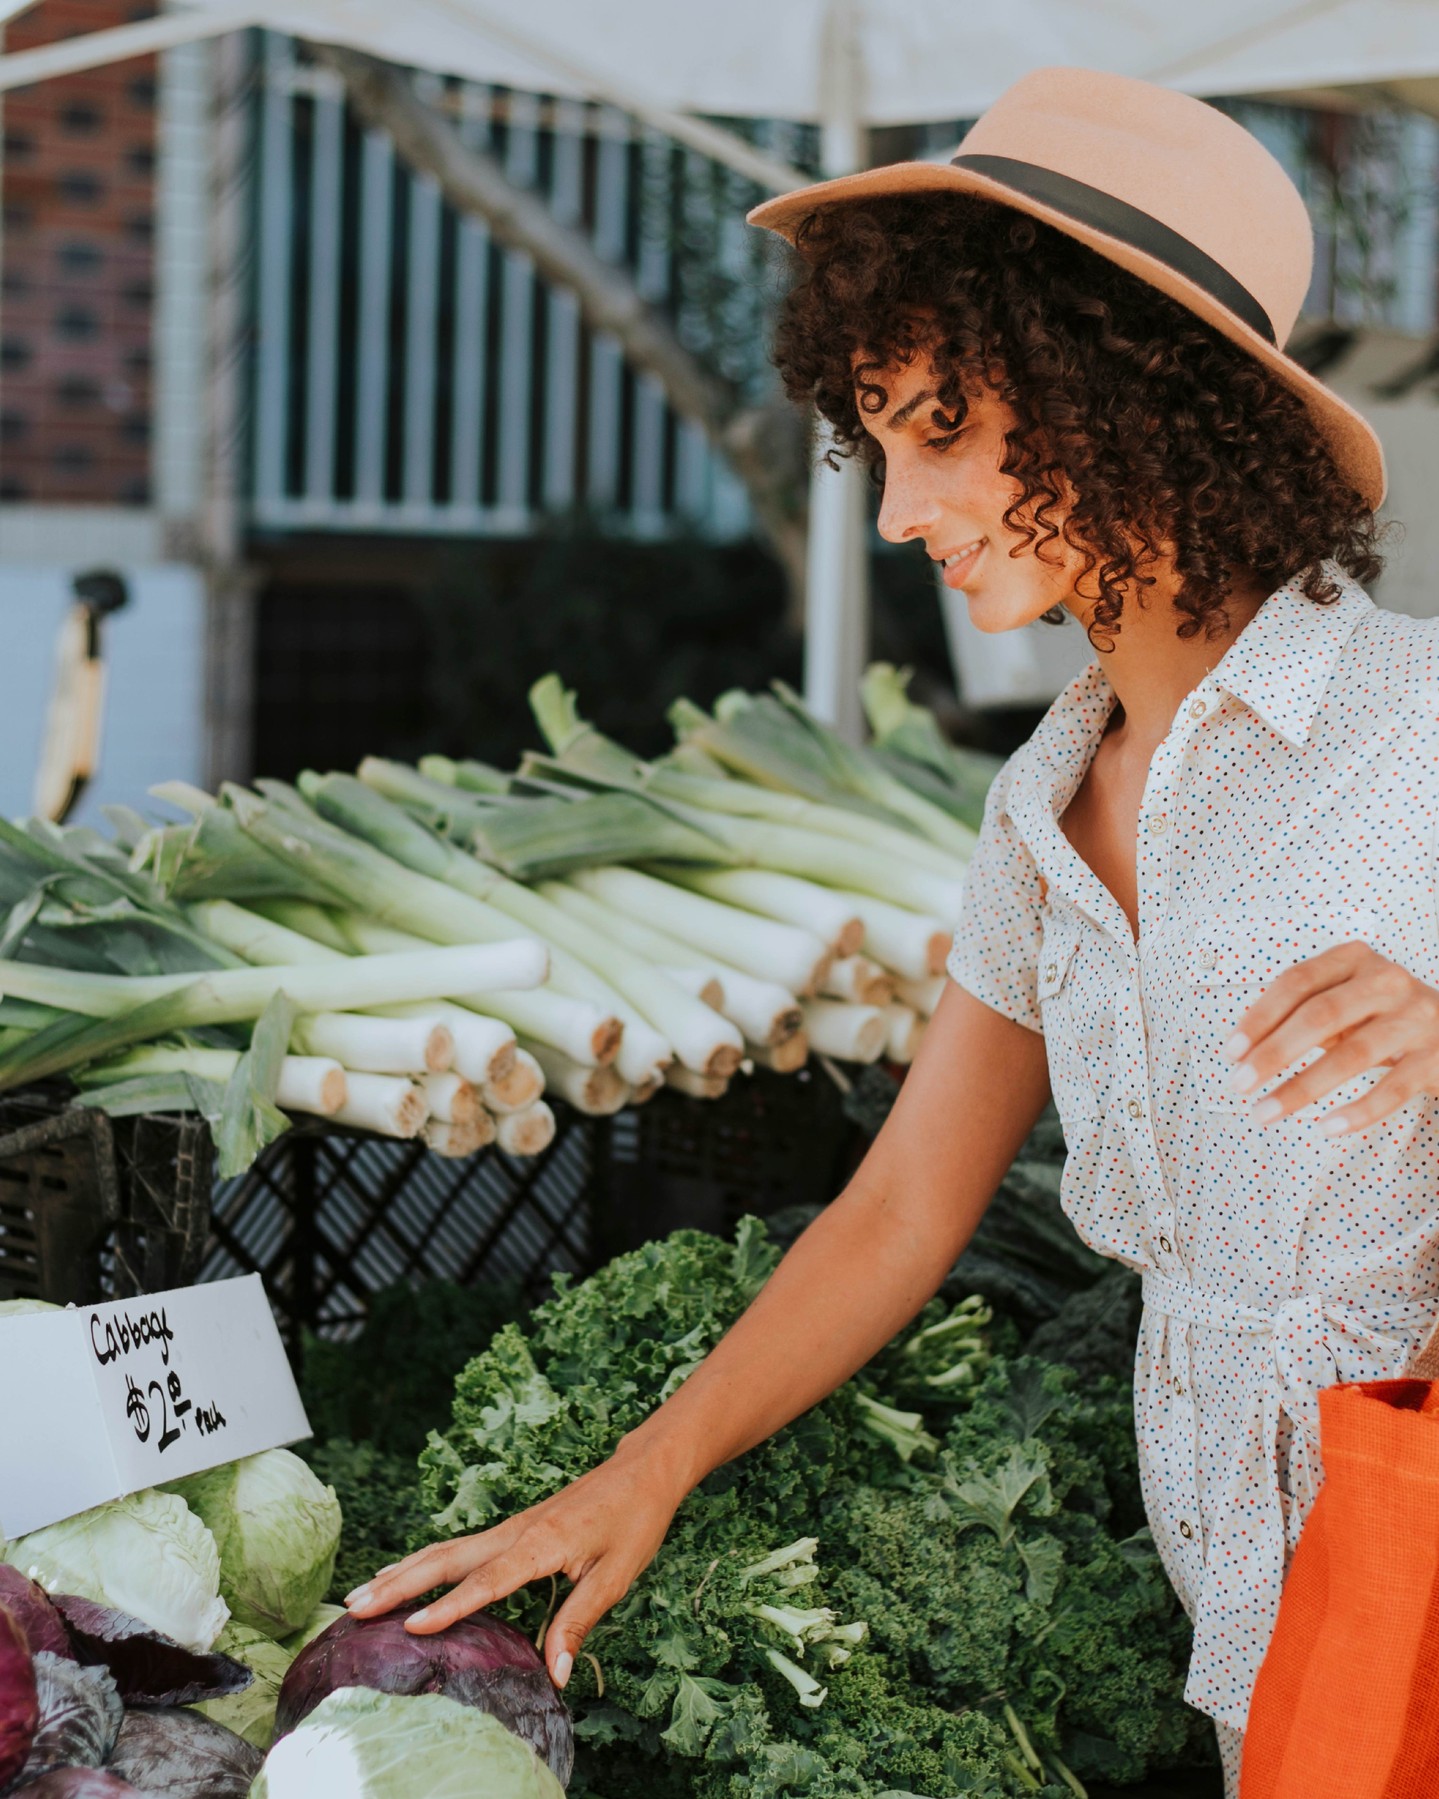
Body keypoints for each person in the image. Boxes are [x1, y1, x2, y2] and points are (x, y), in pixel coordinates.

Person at [345, 67, 1439, 1796]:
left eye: (941, 427)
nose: (893, 511)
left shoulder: (1424, 724)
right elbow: (902, 1211)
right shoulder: (1034, 810)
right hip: (1242, 1578)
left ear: (1124, 396)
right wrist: (648, 1468)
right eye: (879, 437)